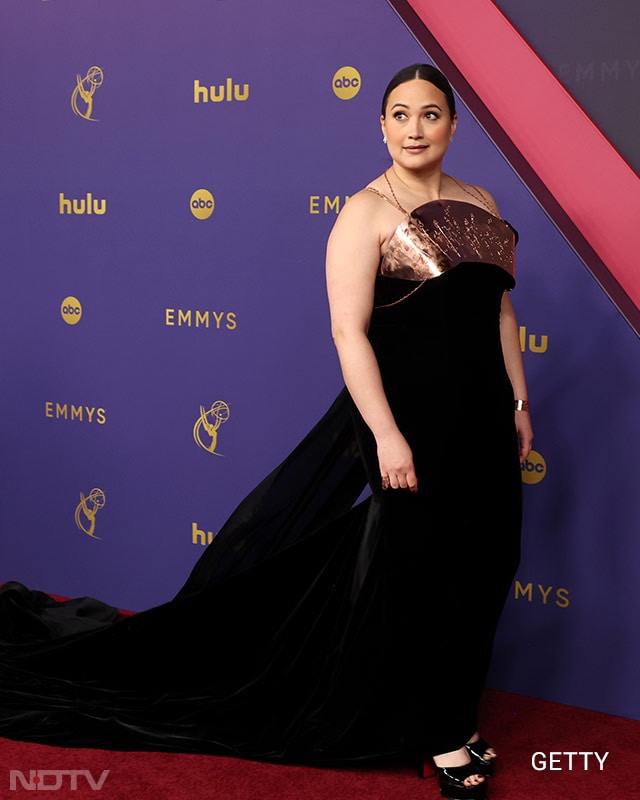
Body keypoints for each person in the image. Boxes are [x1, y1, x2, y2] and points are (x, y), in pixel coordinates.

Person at [0, 64, 531, 800]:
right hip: (410, 423)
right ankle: (437, 734)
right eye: (400, 114)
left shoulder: (481, 202)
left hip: (485, 422)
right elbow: (349, 335)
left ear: (452, 125)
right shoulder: (365, 213)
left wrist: (519, 403)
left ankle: (458, 713)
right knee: (424, 578)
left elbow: (500, 314)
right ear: (380, 126)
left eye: (431, 114)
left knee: (486, 566)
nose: (415, 129)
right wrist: (386, 435)